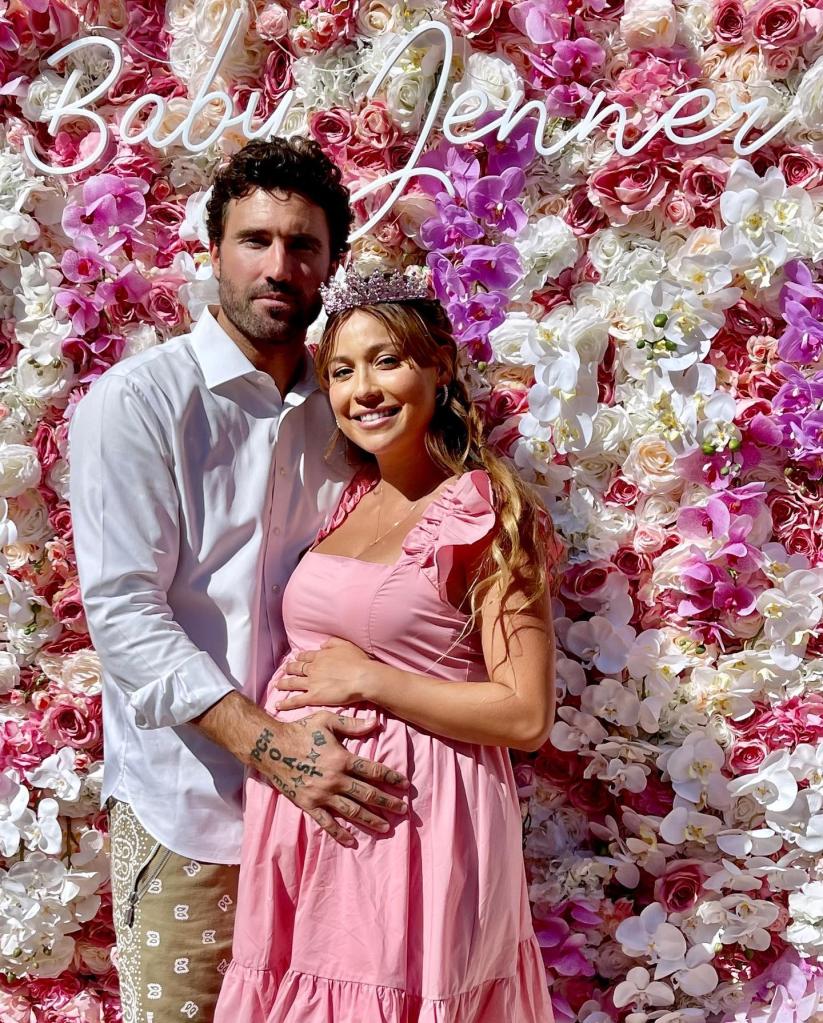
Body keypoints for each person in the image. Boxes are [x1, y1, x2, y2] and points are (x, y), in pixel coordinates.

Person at [69, 140, 409, 1023]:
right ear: (212, 250)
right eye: (255, 240)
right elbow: (125, 615)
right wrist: (272, 748)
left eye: (303, 245)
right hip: (194, 810)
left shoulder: (347, 407)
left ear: (331, 262)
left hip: (327, 809)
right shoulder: (139, 402)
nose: (279, 265)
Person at [215, 266, 558, 1021]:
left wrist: (369, 678)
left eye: (386, 361)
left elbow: (525, 713)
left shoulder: (485, 513)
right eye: (340, 370)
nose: (362, 389)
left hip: (417, 825)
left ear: (439, 368)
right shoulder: (346, 499)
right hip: (310, 816)